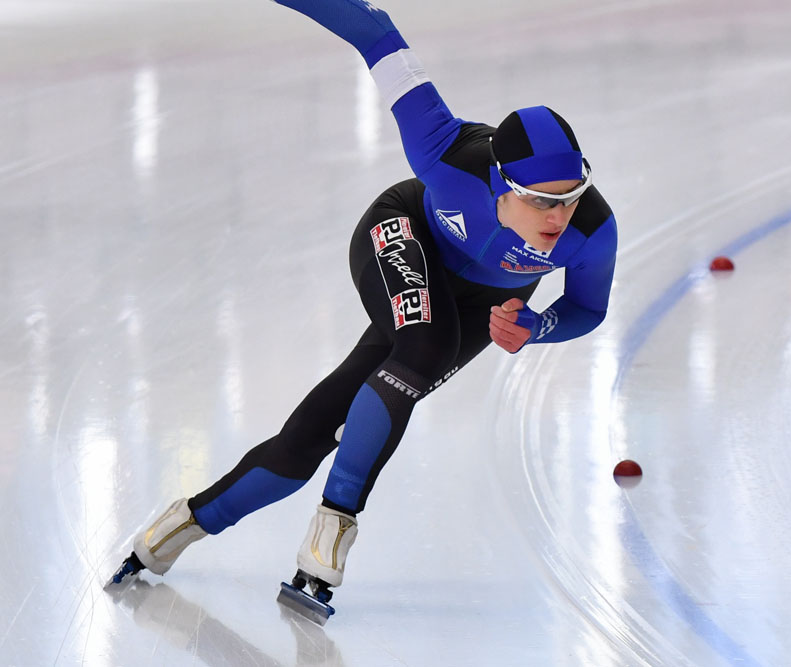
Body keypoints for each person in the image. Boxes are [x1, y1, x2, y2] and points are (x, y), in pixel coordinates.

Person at [110, 0, 618, 610]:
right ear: (500, 182)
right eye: (540, 200)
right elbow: (374, 30)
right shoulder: (444, 150)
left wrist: (537, 327)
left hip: (486, 300)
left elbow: (588, 309)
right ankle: (334, 527)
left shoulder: (594, 230)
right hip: (404, 231)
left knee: (319, 429)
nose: (558, 217)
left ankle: (178, 527)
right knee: (423, 345)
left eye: (571, 196)